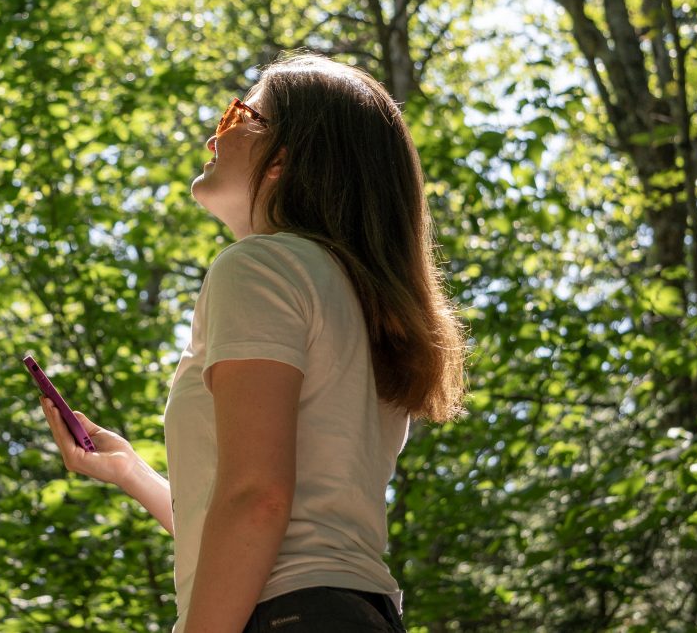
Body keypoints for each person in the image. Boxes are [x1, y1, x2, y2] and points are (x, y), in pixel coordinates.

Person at [39, 51, 468, 633]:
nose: (214, 137)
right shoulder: (359, 298)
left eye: (238, 116)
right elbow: (277, 517)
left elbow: (258, 499)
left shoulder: (259, 267)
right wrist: (131, 472)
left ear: (282, 160)